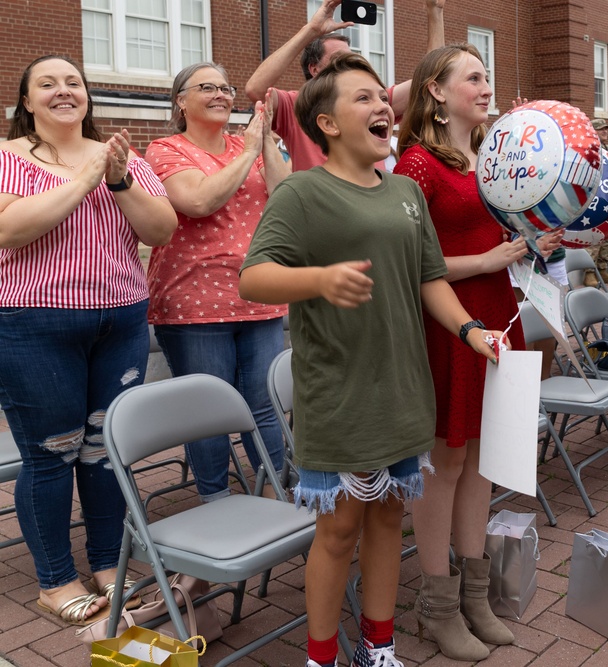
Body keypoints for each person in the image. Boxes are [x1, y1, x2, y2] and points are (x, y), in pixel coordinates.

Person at [239, 52, 504, 667]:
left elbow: (431, 278)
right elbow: (255, 278)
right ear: (327, 123)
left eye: (381, 98)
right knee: (337, 532)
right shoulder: (304, 192)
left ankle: (378, 650)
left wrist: (469, 332)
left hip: (405, 388)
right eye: (363, 98)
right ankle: (322, 656)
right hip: (339, 393)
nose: (383, 106)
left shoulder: (407, 192)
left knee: (387, 519)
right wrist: (319, 280)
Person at [394, 44, 563, 661]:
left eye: (487, 74)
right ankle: (434, 606)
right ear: (435, 91)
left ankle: (473, 596)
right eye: (473, 77)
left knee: (485, 460)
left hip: (501, 314)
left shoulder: (494, 154)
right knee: (447, 462)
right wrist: (483, 261)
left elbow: (501, 231)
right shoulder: (416, 165)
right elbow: (407, 262)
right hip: (453, 325)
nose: (486, 85)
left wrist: (529, 236)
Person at [0, 55, 176, 625]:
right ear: (26, 102)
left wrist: (119, 176)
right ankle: (55, 579)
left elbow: (160, 229)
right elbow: (9, 228)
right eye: (46, 84)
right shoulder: (7, 159)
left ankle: (107, 563)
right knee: (51, 453)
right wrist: (86, 176)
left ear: (87, 96)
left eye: (72, 82)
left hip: (120, 319)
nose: (62, 91)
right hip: (33, 323)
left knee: (105, 449)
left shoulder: (126, 161)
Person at [144, 63, 291, 503]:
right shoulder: (165, 150)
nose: (221, 94)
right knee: (207, 411)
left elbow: (286, 199)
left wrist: (264, 145)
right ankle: (215, 501)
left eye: (225, 87)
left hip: (259, 295)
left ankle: (275, 491)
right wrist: (247, 153)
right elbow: (199, 200)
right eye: (206, 87)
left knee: (265, 403)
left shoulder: (250, 144)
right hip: (195, 304)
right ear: (180, 101)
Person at [244, 0, 445, 171]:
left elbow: (430, 79)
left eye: (351, 58)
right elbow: (256, 89)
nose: (348, 66)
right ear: (314, 69)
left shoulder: (374, 101)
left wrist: (435, 12)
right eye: (339, 59)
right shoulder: (296, 105)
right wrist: (311, 30)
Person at [584, 117, 608, 286]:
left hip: (607, 198)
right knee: (594, 237)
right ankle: (589, 273)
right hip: (592, 199)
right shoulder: (587, 149)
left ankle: (602, 269)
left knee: (607, 237)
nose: (605, 131)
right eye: (600, 129)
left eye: (606, 128)